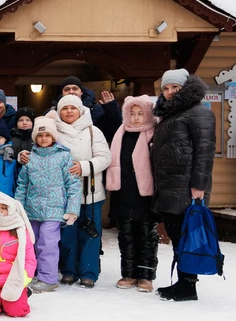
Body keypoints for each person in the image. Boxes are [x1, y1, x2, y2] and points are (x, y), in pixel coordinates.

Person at [151, 69, 216, 302]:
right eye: (166, 88)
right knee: (178, 237)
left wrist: (199, 186)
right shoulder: (170, 115)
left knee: (185, 237)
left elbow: (205, 152)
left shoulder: (198, 112)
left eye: (174, 88)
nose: (169, 92)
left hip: (187, 188)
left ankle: (188, 286)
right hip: (170, 186)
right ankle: (183, 282)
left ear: (185, 87)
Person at [43, 95, 112, 288]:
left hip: (90, 192)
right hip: (62, 194)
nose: (69, 112)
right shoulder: (54, 130)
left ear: (80, 110)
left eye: (73, 108)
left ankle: (88, 272)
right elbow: (41, 149)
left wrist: (84, 166)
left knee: (90, 233)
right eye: (65, 108)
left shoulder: (93, 131)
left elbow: (105, 157)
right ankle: (69, 270)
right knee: (67, 234)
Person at [14, 117, 80, 293]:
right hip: (32, 209)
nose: (43, 138)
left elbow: (73, 184)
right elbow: (22, 184)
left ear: (53, 137)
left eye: (47, 135)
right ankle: (31, 274)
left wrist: (73, 209)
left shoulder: (63, 156)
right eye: (40, 135)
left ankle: (48, 278)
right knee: (32, 242)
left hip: (54, 208)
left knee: (47, 243)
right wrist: (18, 208)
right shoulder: (30, 158)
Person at [107, 97, 158, 293]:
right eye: (132, 113)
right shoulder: (121, 132)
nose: (136, 118)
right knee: (126, 234)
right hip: (123, 190)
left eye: (140, 114)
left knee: (146, 235)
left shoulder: (154, 132)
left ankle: (145, 276)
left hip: (146, 193)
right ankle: (129, 273)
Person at [48, 76, 121, 142]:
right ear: (62, 93)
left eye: (75, 88)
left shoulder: (96, 110)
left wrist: (112, 109)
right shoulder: (52, 112)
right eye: (67, 89)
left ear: (81, 92)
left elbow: (115, 131)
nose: (71, 92)